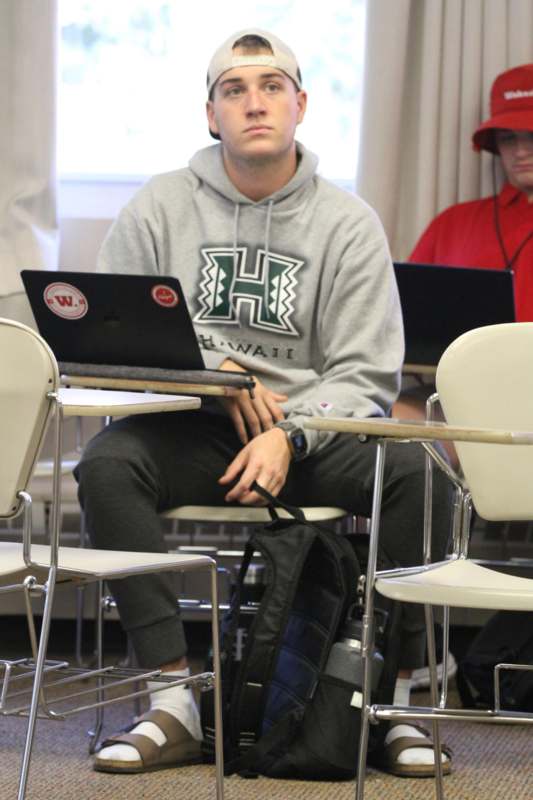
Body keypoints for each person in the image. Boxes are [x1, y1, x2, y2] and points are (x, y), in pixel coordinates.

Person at [75, 29, 452, 778]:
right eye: (235, 90)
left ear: (300, 105)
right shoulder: (158, 206)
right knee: (107, 466)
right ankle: (172, 702)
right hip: (194, 429)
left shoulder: (347, 222)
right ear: (210, 114)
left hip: (311, 434)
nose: (255, 104)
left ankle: (390, 705)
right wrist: (217, 377)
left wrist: (291, 434)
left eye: (272, 87)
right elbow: (117, 339)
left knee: (420, 475)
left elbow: (365, 373)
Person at [410, 62, 533, 321]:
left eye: (532, 135)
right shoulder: (451, 225)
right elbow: (406, 316)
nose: (521, 151)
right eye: (508, 138)